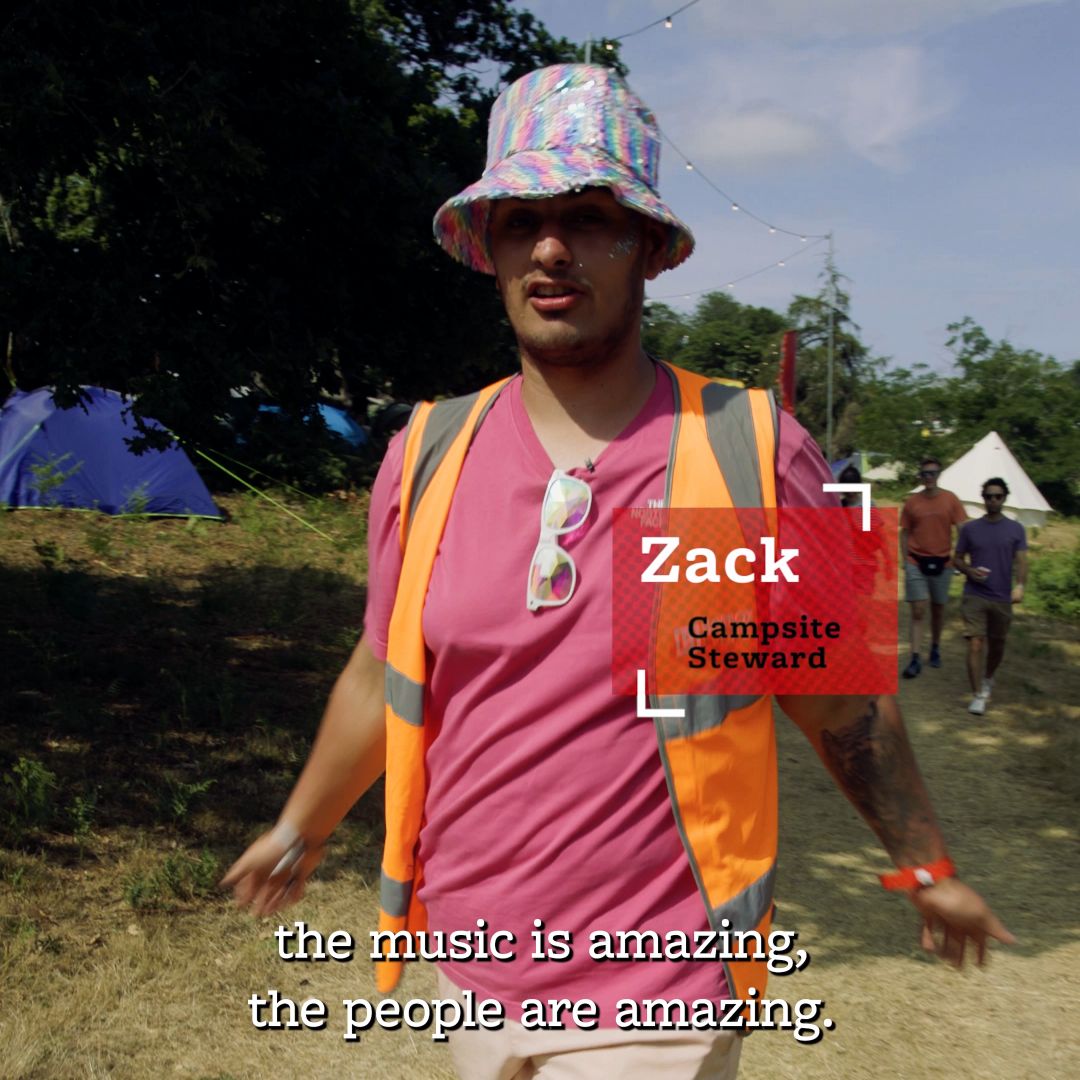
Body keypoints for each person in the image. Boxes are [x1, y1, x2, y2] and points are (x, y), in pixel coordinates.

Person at [222, 64, 1012, 1079]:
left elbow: (837, 699)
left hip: (660, 988)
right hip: (474, 966)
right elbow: (383, 672)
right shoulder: (427, 451)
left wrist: (925, 863)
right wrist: (299, 830)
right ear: (493, 251)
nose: (551, 248)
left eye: (589, 218)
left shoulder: (747, 449)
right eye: (522, 222)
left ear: (645, 248)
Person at [953, 478, 1028, 715]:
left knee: (997, 644)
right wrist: (968, 570)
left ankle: (988, 677)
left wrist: (1020, 586)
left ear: (1004, 498)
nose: (993, 500)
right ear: (982, 498)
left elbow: (1023, 561)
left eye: (997, 496)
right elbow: (956, 558)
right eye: (988, 496)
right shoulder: (970, 529)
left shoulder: (1016, 529)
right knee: (975, 643)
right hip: (974, 594)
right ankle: (978, 695)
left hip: (1002, 596)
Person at [899, 458, 967, 678]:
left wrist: (960, 557)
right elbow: (905, 532)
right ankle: (915, 657)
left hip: (942, 562)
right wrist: (904, 558)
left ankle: (935, 647)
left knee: (938, 609)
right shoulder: (912, 503)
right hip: (915, 561)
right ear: (920, 476)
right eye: (925, 473)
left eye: (933, 473)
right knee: (918, 609)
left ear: (939, 475)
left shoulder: (950, 500)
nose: (929, 477)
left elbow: (962, 528)